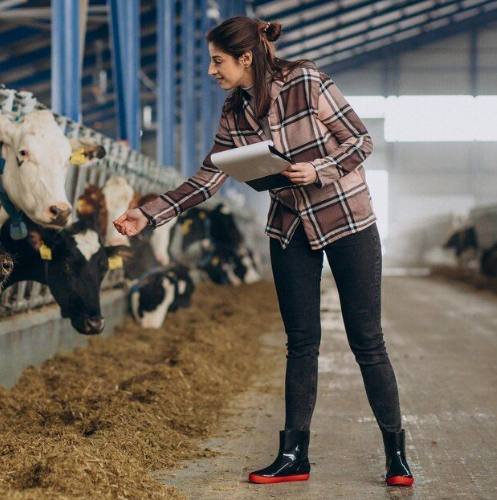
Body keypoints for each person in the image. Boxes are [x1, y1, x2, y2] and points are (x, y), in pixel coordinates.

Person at [113, 16, 413, 487]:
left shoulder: (307, 81)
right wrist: (149, 213)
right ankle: (293, 454)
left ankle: (396, 454)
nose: (211, 71)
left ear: (245, 58)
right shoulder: (234, 112)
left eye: (217, 61)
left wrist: (319, 169)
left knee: (367, 342)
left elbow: (360, 140)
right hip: (289, 227)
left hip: (346, 217)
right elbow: (209, 177)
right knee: (301, 343)